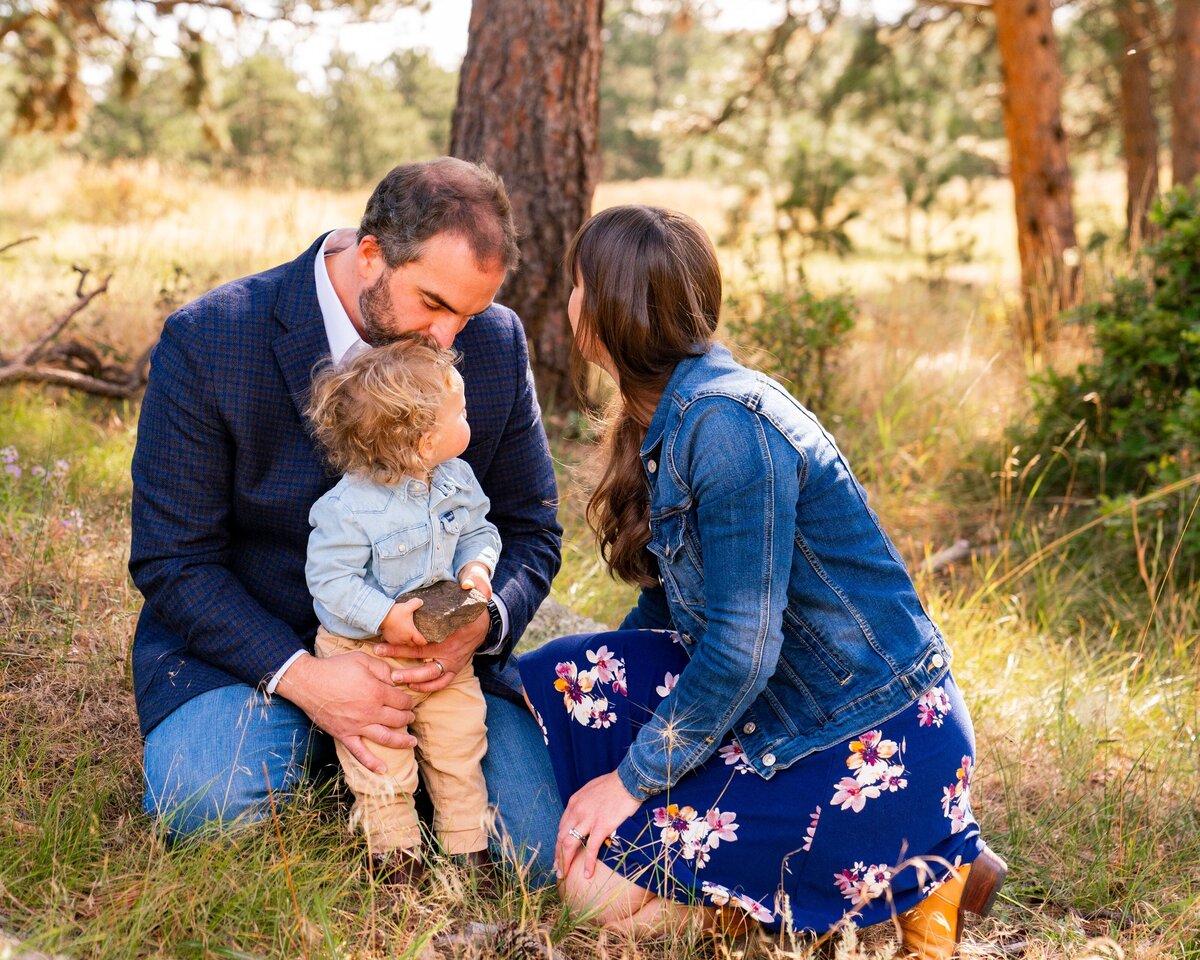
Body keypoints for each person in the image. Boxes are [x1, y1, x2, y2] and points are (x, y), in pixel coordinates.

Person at [518, 204, 1006, 958]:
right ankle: (911, 859)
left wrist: (632, 779)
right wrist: (605, 694)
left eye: (578, 284)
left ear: (607, 313)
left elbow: (742, 648)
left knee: (595, 897)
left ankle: (910, 867)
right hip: (782, 702)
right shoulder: (670, 413)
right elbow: (670, 606)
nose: (569, 297)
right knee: (559, 678)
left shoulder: (728, 428)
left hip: (863, 735)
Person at [130, 158, 564, 882]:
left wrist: (480, 627)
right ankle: (346, 769)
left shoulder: (496, 341)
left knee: (539, 855)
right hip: (259, 653)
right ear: (371, 254)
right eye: (432, 302)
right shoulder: (210, 339)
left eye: (470, 311)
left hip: (434, 664)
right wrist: (305, 678)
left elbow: (530, 526)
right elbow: (174, 560)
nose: (448, 336)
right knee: (204, 806)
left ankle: (395, 776)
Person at [305, 338, 499, 878]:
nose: (470, 417)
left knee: (460, 741)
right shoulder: (348, 508)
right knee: (381, 755)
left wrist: (476, 567)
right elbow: (330, 580)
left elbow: (479, 530)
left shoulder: (456, 478)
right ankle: (395, 857)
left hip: (441, 647)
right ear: (420, 441)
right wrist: (384, 616)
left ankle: (468, 852)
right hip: (369, 653)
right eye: (459, 412)